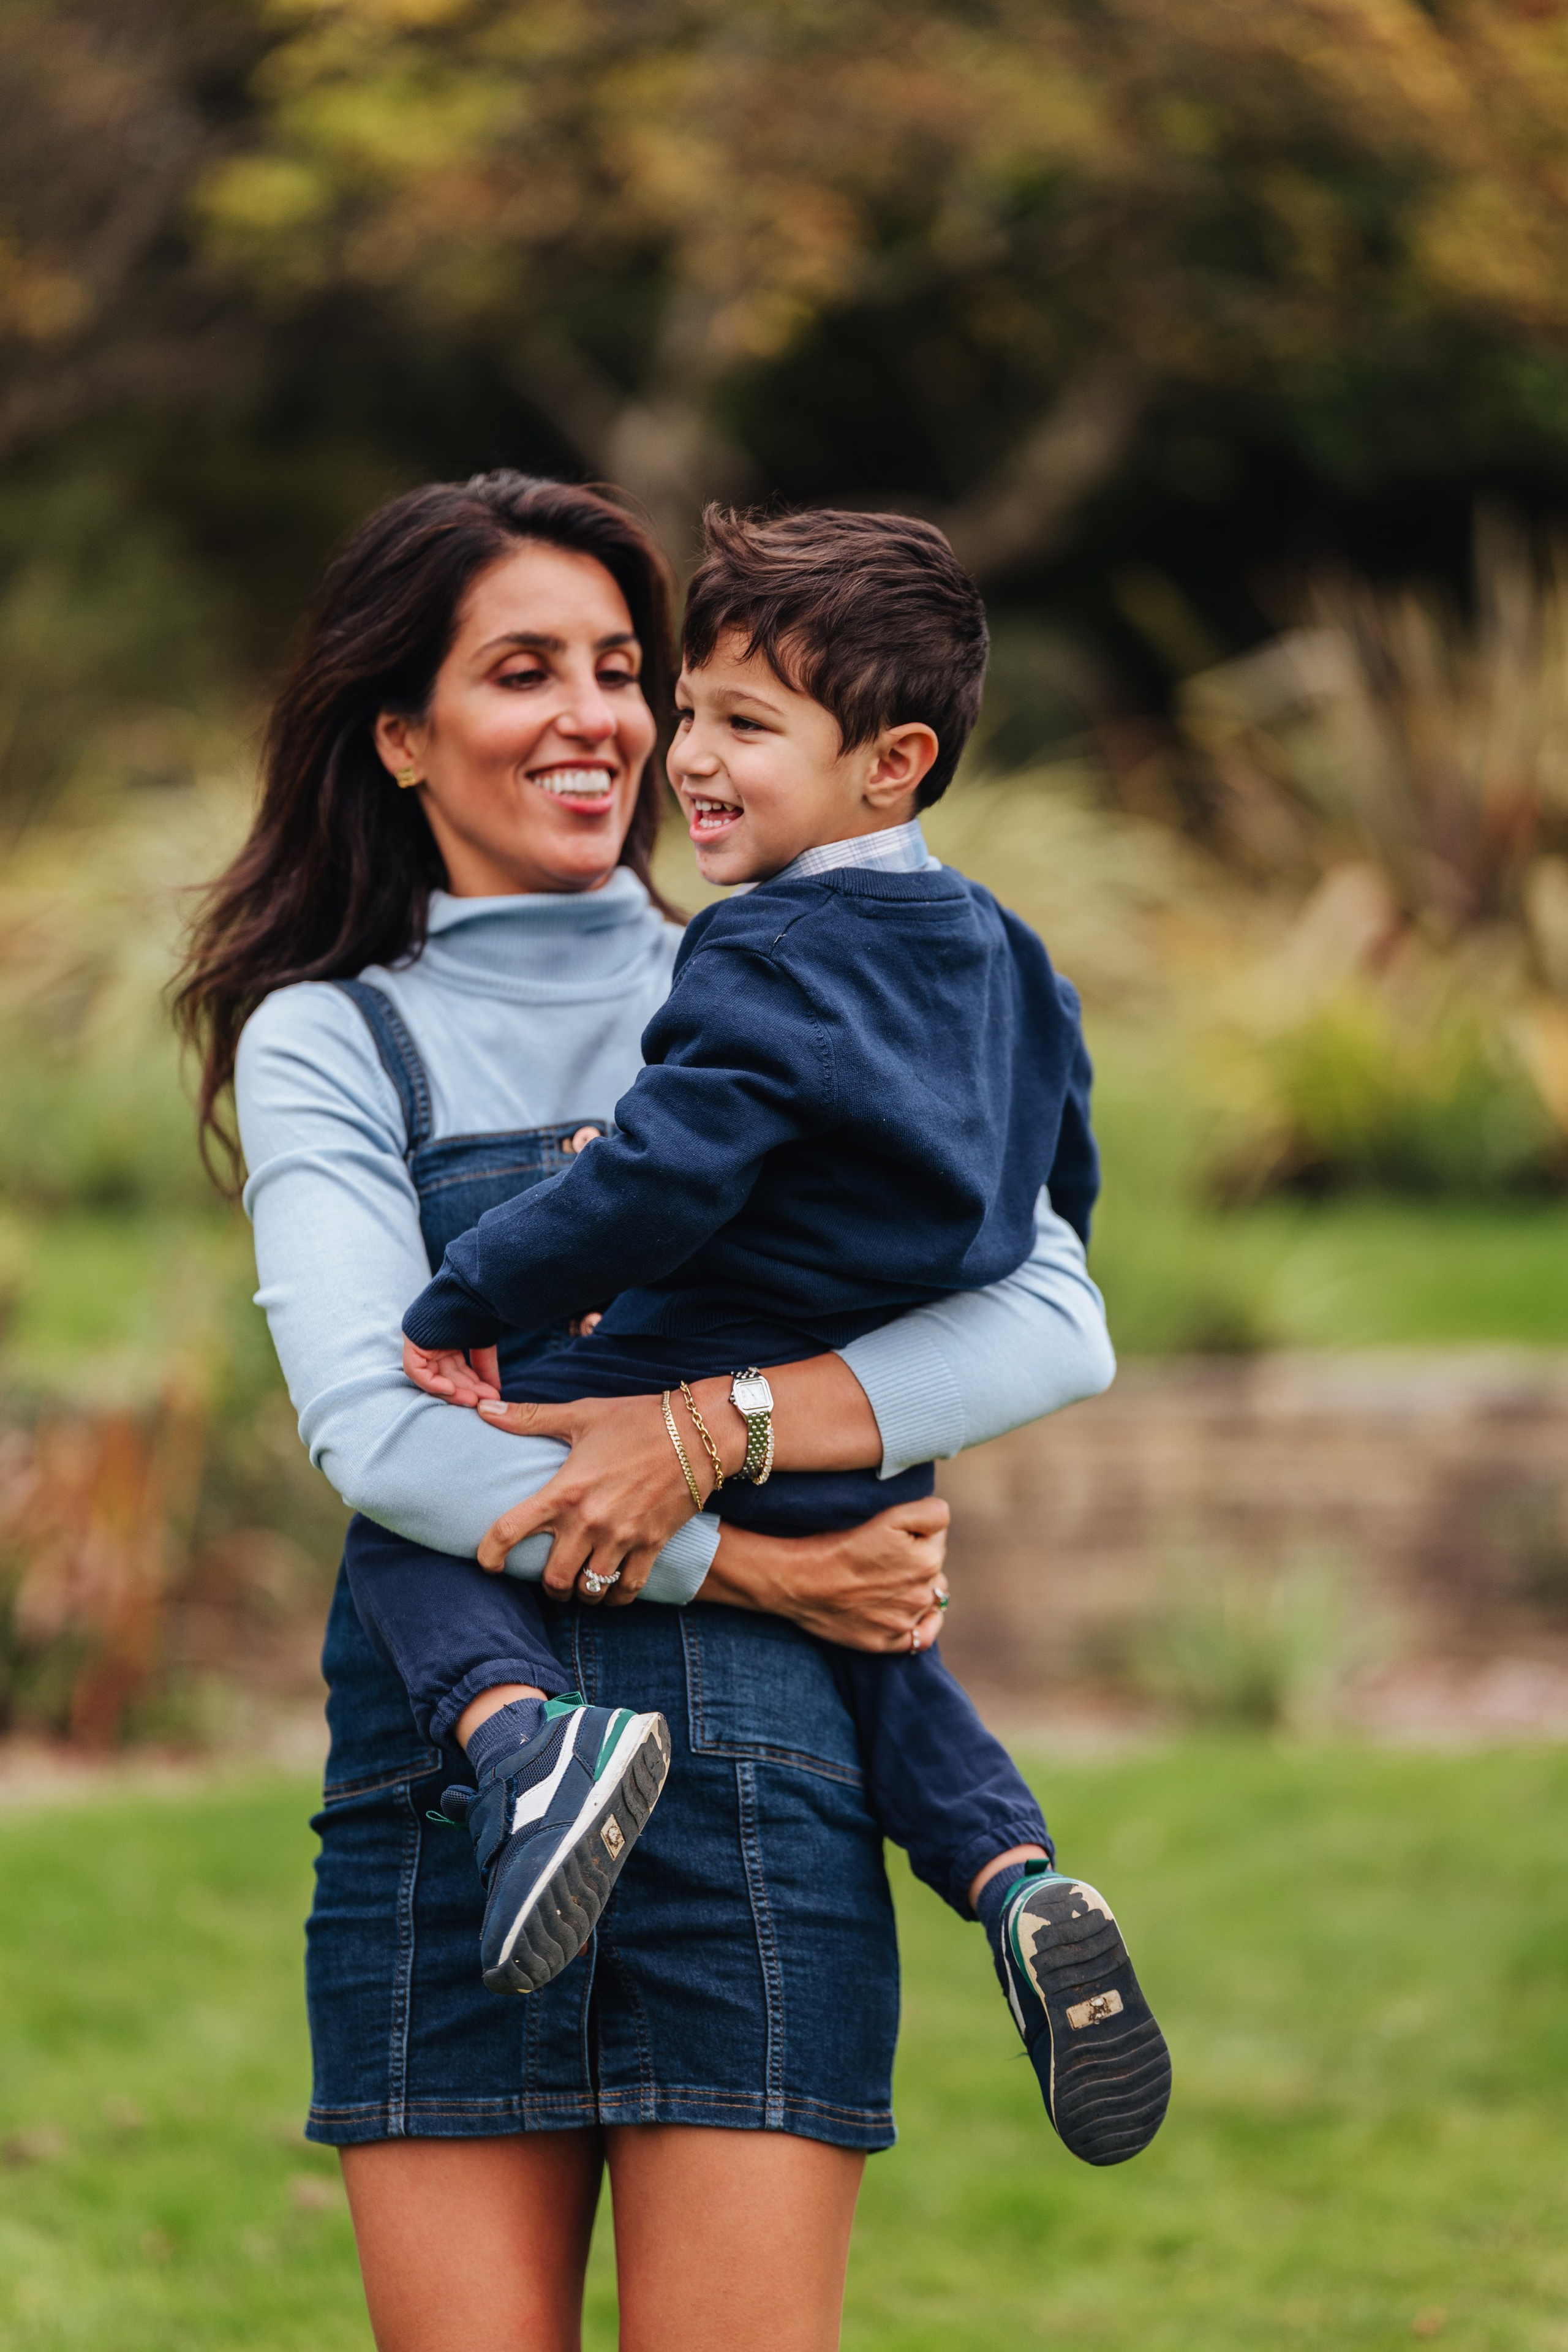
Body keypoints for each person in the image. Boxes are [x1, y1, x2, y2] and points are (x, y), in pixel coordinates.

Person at [176, 470, 1121, 2352]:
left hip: (762, 1801)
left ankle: (1002, 1869)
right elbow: (379, 1434)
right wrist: (762, 1565)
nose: (607, 718)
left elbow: (1050, 1317)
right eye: (527, 671)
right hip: (457, 1813)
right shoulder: (329, 1035)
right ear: (398, 730)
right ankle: (996, 1859)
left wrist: (713, 1425)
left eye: (629, 667)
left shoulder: (780, 964)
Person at [363, 502, 1169, 2169]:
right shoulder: (1014, 960)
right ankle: (1021, 1886)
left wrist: (461, 1303)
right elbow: (1057, 1195)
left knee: (410, 1507)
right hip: (864, 1423)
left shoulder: (772, 950)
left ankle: (523, 1751)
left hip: (686, 1363)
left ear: (894, 762)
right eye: (696, 708)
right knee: (891, 1662)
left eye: (749, 725)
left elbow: (664, 1179)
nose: (691, 757)